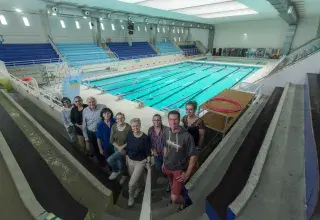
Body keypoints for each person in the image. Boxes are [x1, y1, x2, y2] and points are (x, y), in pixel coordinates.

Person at [162, 110, 197, 211]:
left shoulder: (187, 137)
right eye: (171, 120)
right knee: (171, 183)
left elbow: (194, 156)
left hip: (178, 169)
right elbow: (165, 147)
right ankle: (176, 192)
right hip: (167, 167)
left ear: (179, 120)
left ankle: (183, 202)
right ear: (168, 121)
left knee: (175, 198)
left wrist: (187, 174)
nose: (173, 122)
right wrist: (164, 162)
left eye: (175, 120)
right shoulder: (166, 131)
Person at [126, 118, 151, 207]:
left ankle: (131, 196)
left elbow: (148, 151)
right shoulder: (129, 135)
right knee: (135, 178)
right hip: (130, 160)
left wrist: (148, 162)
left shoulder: (144, 137)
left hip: (140, 162)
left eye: (137, 125)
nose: (135, 127)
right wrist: (127, 160)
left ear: (140, 125)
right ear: (131, 127)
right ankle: (139, 188)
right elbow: (128, 148)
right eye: (133, 126)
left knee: (131, 182)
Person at [147, 114, 171, 192]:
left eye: (158, 120)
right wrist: (153, 150)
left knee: (167, 169)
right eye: (155, 120)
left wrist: (165, 157)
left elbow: (167, 145)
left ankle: (170, 182)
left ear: (161, 120)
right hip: (157, 155)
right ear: (152, 121)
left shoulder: (166, 130)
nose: (156, 122)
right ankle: (165, 177)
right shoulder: (150, 130)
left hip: (166, 154)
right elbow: (150, 142)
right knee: (158, 168)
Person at [82, 96, 107, 166]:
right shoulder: (85, 111)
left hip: (102, 132)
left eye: (93, 101)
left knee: (105, 146)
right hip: (92, 133)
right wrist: (86, 138)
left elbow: (109, 116)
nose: (91, 103)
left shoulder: (102, 107)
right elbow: (84, 124)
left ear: (95, 101)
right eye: (89, 102)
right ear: (87, 103)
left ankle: (107, 159)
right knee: (96, 148)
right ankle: (101, 162)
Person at [107, 112, 131, 181]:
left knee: (110, 160)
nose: (120, 120)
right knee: (121, 162)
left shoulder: (128, 128)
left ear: (124, 118)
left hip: (125, 149)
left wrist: (121, 148)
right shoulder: (114, 126)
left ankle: (117, 171)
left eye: (121, 118)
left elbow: (130, 141)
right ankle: (122, 173)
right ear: (116, 119)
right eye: (118, 118)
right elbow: (111, 140)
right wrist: (118, 148)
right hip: (116, 148)